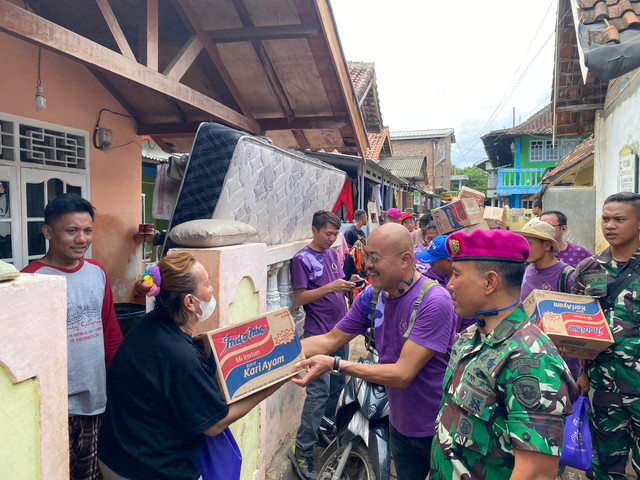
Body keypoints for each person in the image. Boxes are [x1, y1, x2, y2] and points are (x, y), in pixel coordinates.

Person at [98, 253, 284, 480]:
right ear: (189, 302)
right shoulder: (181, 356)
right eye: (206, 284)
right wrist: (271, 383)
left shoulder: (152, 324)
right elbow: (214, 424)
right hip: (149, 468)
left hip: (117, 455)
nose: (212, 289)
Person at [293, 223, 457, 480]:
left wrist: (336, 365)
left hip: (436, 428)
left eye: (374, 258)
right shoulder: (372, 296)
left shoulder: (433, 301)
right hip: (398, 423)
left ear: (405, 259)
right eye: (367, 255)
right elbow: (328, 340)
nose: (366, 264)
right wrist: (272, 357)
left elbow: (403, 374)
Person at [430, 228, 577, 480]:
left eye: (456, 274)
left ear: (489, 282)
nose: (449, 284)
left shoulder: (530, 360)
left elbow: (536, 474)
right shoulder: (468, 340)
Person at [21, 193, 123, 480]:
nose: (82, 239)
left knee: (89, 473)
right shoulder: (30, 280)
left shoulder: (97, 273)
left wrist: (122, 377)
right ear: (48, 232)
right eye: (72, 231)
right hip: (53, 405)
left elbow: (109, 331)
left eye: (87, 230)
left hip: (95, 399)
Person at [572, 192, 640, 478]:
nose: (610, 225)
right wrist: (583, 372)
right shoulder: (589, 270)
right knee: (605, 463)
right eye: (605, 219)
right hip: (604, 386)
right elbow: (578, 324)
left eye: (619, 219)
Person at [289, 210, 361, 480]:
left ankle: (323, 429)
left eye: (334, 234)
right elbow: (300, 298)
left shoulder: (332, 253)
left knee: (337, 386)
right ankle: (302, 451)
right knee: (318, 394)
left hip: (339, 332)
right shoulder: (302, 259)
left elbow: (336, 282)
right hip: (317, 334)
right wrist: (331, 288)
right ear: (314, 230)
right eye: (328, 234)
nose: (332, 239)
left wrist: (348, 283)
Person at [516, 218, 581, 381]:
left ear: (547, 246)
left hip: (561, 365)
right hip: (530, 356)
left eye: (529, 244)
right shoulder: (525, 270)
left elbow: (580, 322)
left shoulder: (568, 276)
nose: (524, 249)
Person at [416, 235, 475, 332]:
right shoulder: (449, 276)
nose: (430, 265)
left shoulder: (454, 285)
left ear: (448, 261)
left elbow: (454, 326)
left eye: (434, 261)